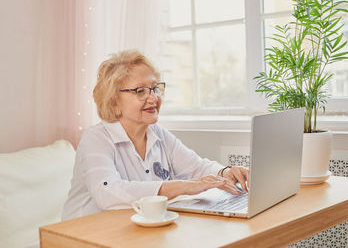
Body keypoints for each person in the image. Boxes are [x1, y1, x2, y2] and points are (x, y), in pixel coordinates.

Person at [62, 50, 249, 220]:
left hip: (133, 230)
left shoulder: (157, 133)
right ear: (113, 101)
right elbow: (108, 192)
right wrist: (183, 186)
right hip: (83, 235)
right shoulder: (96, 138)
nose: (153, 98)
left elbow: (197, 167)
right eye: (140, 91)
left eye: (154, 88)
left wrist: (225, 172)